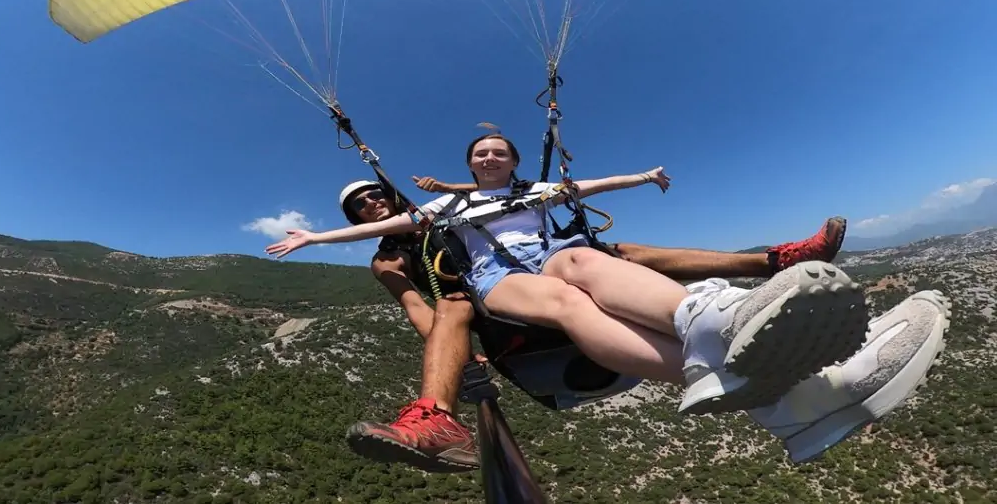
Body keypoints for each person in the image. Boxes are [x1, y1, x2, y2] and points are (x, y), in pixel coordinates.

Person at [268, 133, 950, 470]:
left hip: (562, 274)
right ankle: (731, 311)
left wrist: (646, 175)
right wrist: (315, 237)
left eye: (498, 150)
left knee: (587, 261)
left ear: (510, 161)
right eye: (480, 153)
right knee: (568, 285)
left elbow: (592, 186)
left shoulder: (527, 193)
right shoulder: (430, 220)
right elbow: (398, 249)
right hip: (505, 305)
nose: (490, 158)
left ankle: (791, 401)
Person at [332, 175, 851, 472]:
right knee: (453, 306)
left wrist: (450, 186)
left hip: (536, 273)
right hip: (486, 309)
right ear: (357, 224)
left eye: (374, 195)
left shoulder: (440, 211)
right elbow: (417, 307)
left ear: (392, 195)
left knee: (615, 251)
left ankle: (773, 264)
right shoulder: (388, 258)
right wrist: (462, 360)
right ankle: (435, 417)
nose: (370, 204)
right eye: (359, 208)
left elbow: (490, 192)